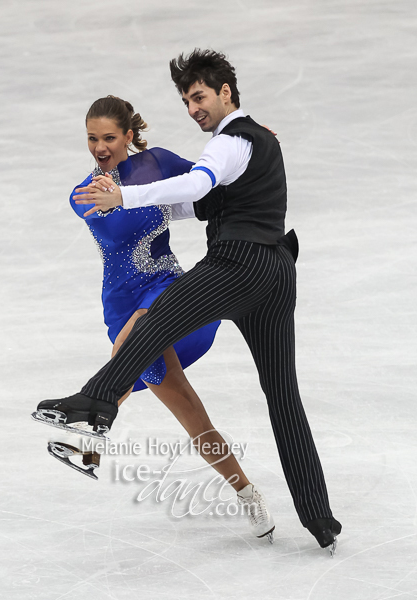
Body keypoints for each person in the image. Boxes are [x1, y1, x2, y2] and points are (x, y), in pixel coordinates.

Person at [34, 51, 341, 553]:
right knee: (282, 397)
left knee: (154, 323)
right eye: (186, 100)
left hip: (238, 264)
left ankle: (94, 405)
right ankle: (320, 520)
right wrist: (131, 198)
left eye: (199, 97)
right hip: (276, 271)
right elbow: (196, 201)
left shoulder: (229, 143)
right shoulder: (247, 142)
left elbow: (197, 183)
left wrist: (127, 197)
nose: (192, 108)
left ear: (225, 92)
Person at [34, 95, 275, 540]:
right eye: (92, 138)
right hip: (122, 300)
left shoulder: (158, 162)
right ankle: (246, 491)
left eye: (109, 137)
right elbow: (113, 216)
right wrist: (122, 196)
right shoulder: (82, 195)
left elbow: (216, 178)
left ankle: (85, 434)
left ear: (129, 135)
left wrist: (255, 147)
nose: (100, 147)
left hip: (169, 289)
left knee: (132, 343)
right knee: (191, 414)